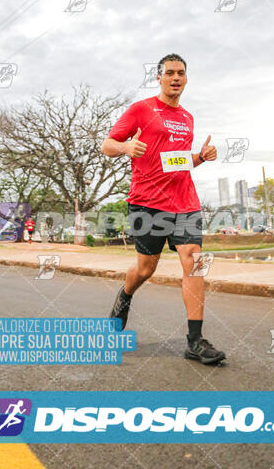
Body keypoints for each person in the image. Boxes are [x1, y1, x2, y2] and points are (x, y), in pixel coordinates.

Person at [101, 53, 226, 365]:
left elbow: (176, 162)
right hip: (147, 202)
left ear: (186, 78)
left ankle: (195, 341)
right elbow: (107, 145)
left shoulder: (187, 118)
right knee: (146, 268)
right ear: (158, 77)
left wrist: (200, 157)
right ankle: (126, 295)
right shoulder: (141, 110)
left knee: (193, 261)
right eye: (169, 72)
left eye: (181, 73)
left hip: (184, 200)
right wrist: (125, 147)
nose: (175, 78)